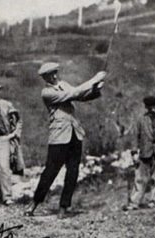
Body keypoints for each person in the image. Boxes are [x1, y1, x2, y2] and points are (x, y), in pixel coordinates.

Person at [24, 62, 106, 219]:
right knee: (50, 172)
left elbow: (81, 96)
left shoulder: (64, 84)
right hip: (59, 137)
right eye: (50, 75)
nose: (54, 76)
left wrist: (95, 89)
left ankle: (64, 206)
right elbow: (74, 93)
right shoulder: (46, 92)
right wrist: (94, 79)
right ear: (45, 78)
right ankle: (34, 203)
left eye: (55, 73)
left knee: (73, 172)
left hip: (75, 133)